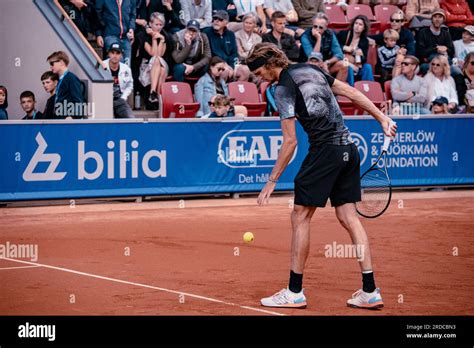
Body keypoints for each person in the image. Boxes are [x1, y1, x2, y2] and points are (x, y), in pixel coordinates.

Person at [246, 42, 396, 309]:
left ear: (270, 65)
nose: (258, 78)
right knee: (348, 217)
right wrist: (381, 117)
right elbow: (350, 91)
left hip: (325, 151)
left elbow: (290, 142)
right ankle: (370, 290)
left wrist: (271, 180)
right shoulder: (311, 70)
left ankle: (294, 292)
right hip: (349, 149)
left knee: (301, 215)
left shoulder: (282, 89)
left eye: (259, 73)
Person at [300, 13, 346, 80]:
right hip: (308, 66)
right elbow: (313, 57)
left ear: (325, 28)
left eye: (321, 27)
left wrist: (327, 62)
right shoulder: (305, 36)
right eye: (315, 26)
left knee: (344, 64)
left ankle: (336, 88)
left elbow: (339, 54)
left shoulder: (330, 34)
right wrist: (319, 39)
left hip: (324, 65)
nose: (317, 29)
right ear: (312, 25)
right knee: (314, 64)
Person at [138, 12, 171, 105]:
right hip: (146, 66)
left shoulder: (165, 36)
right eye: (156, 24)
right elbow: (153, 54)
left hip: (160, 62)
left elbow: (160, 55)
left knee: (159, 63)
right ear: (150, 24)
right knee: (161, 69)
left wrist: (162, 40)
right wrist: (154, 38)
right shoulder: (143, 35)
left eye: (161, 25)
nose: (159, 27)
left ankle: (152, 94)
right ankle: (158, 96)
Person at [95, 0, 136, 66]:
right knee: (118, 61)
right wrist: (98, 34)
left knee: (127, 66)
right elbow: (97, 15)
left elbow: (133, 15)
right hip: (110, 35)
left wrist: (131, 28)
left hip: (126, 37)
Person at [337, 15, 374, 86]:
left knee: (367, 67)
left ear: (364, 28)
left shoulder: (364, 41)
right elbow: (335, 48)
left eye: (360, 24)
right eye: (356, 23)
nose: (357, 26)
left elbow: (364, 59)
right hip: (343, 62)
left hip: (356, 65)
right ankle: (352, 88)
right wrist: (344, 47)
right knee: (349, 67)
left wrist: (360, 55)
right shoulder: (343, 34)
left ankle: (369, 88)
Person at [47, 51, 86, 119]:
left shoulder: (71, 78)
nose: (51, 67)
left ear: (61, 62)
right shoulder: (61, 79)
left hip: (67, 121)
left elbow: (78, 100)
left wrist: (72, 116)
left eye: (52, 64)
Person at [104, 43, 135, 118]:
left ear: (121, 55)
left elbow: (130, 85)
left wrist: (124, 97)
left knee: (132, 120)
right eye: (112, 53)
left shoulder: (126, 69)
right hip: (104, 101)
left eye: (118, 53)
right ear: (108, 54)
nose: (115, 55)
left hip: (120, 100)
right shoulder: (101, 66)